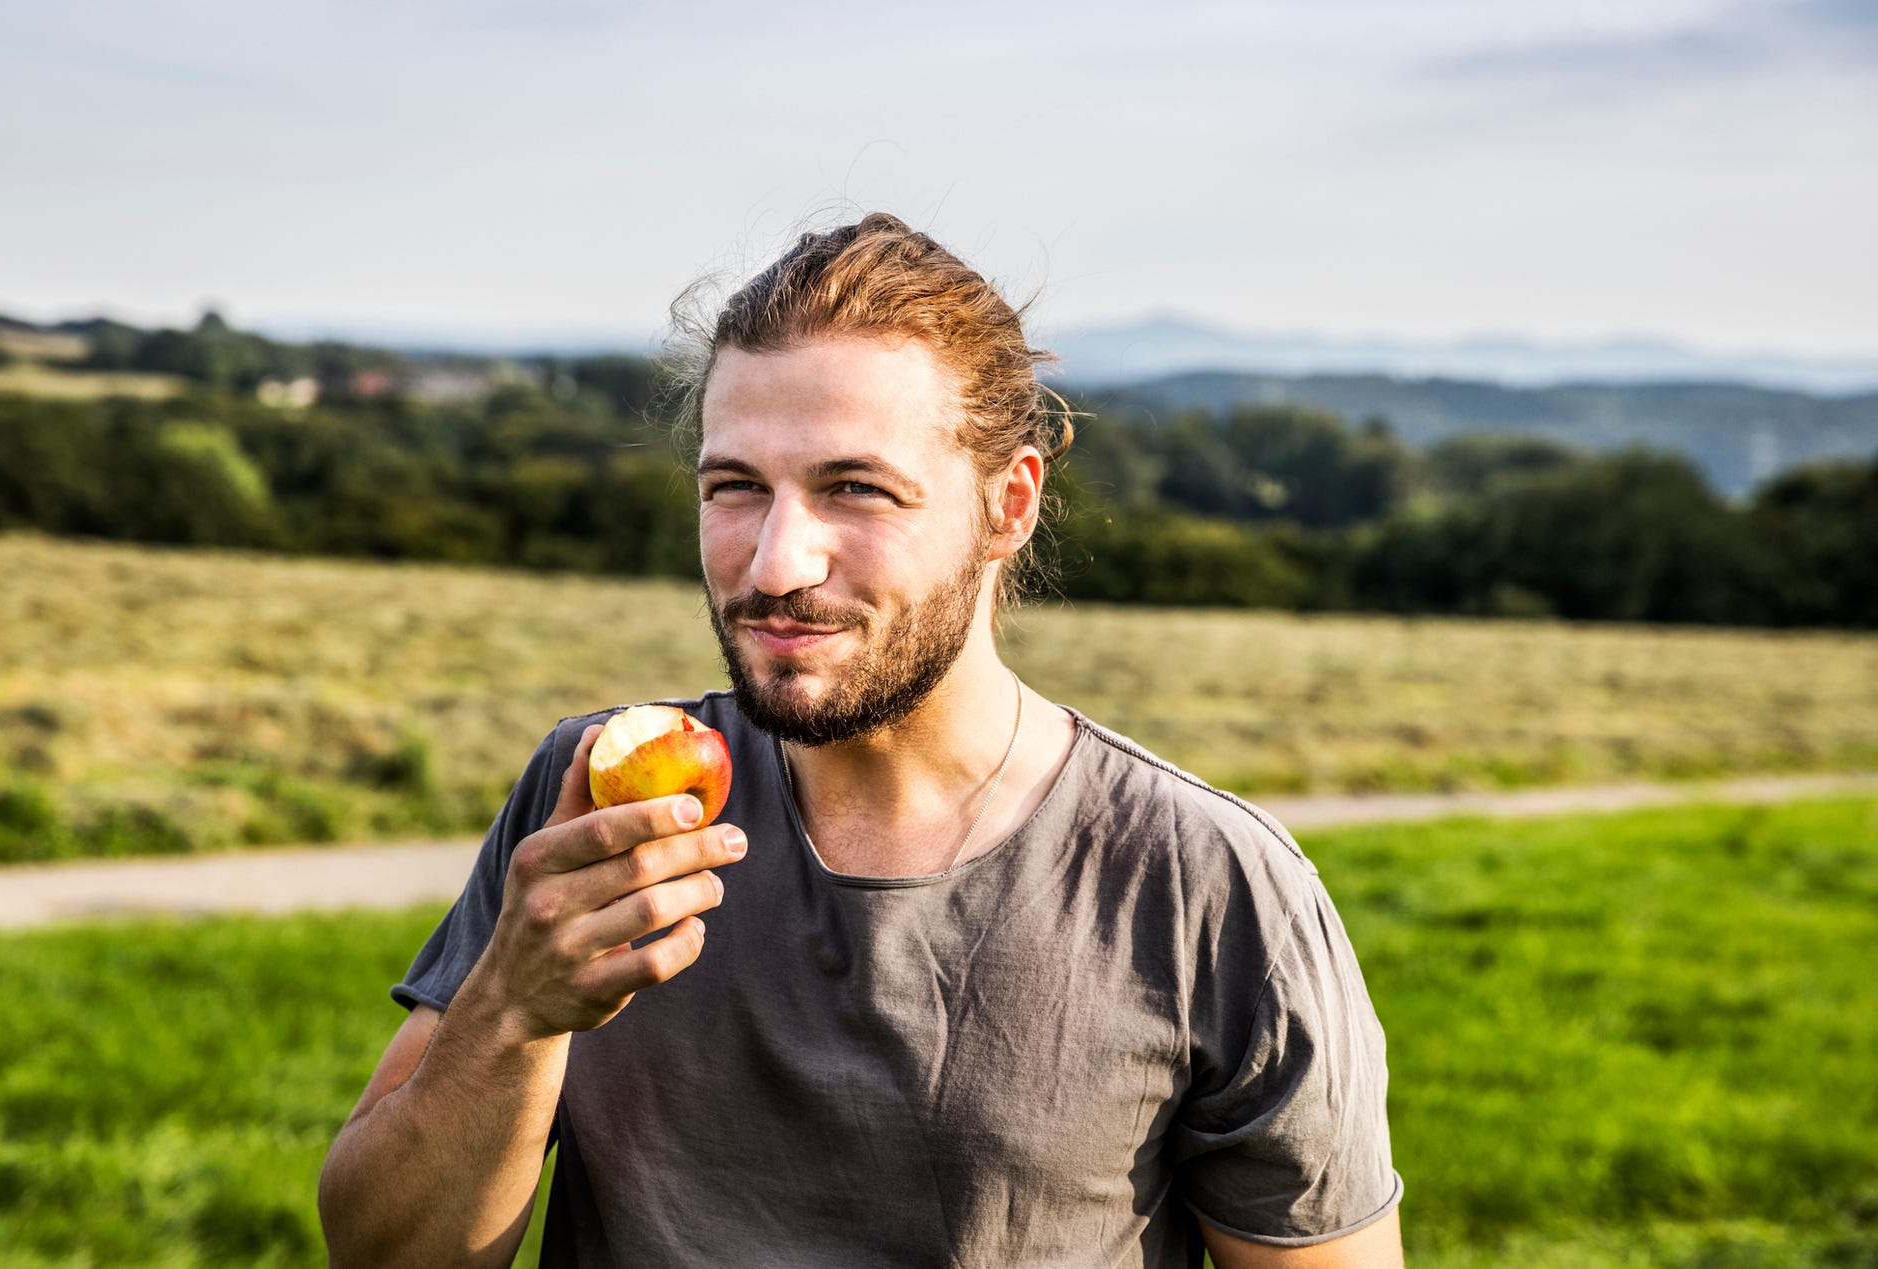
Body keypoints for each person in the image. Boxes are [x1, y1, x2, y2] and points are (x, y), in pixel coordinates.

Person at [318, 213, 1404, 1268]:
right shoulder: (593, 794)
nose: (776, 562)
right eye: (734, 487)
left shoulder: (1208, 885)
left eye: (855, 489)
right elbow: (379, 1253)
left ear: (1006, 506)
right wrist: (512, 1011)